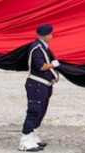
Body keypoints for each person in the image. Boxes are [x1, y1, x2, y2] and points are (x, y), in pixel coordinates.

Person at [19, 23, 59, 151]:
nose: (51, 36)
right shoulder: (37, 48)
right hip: (37, 84)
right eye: (50, 34)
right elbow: (41, 66)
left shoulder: (43, 47)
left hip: (44, 84)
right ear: (45, 35)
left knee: (40, 111)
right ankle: (25, 140)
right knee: (34, 111)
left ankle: (33, 136)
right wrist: (53, 64)